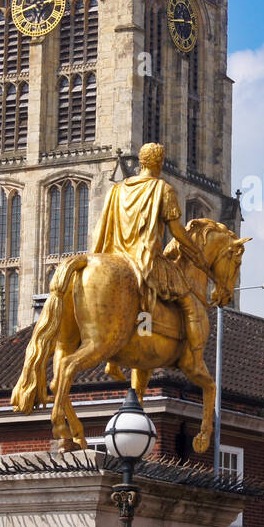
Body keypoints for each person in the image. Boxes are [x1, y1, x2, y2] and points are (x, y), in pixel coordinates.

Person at [90, 142, 210, 366]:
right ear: (160, 163)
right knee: (189, 301)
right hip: (146, 260)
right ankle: (194, 359)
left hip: (116, 257)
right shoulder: (162, 189)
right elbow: (176, 231)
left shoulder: (117, 189)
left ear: (142, 162)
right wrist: (195, 253)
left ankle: (113, 356)